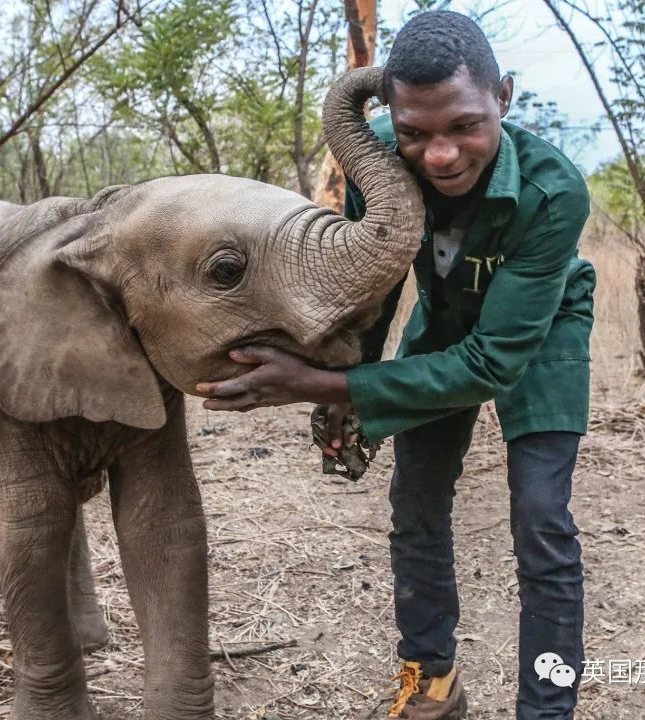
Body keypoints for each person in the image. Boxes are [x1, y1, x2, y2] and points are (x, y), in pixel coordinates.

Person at [196, 10, 596, 720]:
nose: (439, 155)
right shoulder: (374, 160)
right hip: (443, 323)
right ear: (393, 118)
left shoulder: (554, 193)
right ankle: (432, 682)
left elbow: (491, 363)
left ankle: (548, 707)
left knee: (540, 518)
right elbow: (372, 289)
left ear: (503, 96)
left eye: (464, 125)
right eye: (416, 132)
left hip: (538, 331)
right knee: (415, 500)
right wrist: (350, 389)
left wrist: (325, 384)